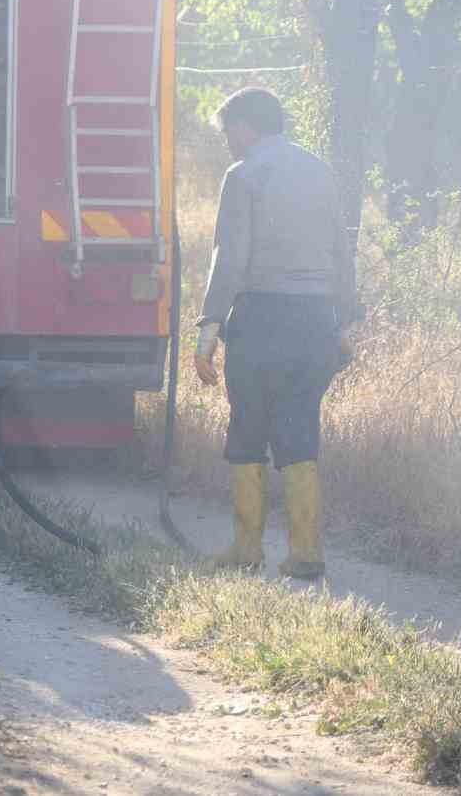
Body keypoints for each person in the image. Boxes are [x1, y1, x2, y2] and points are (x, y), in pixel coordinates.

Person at [194, 87, 360, 580]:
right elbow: (340, 251)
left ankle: (247, 548)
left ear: (244, 126)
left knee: (248, 427)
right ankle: (306, 553)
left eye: (227, 133)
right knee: (299, 428)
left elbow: (229, 257)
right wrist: (341, 323)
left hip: (262, 319)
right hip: (314, 324)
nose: (228, 143)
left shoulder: (244, 174)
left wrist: (208, 325)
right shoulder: (321, 171)